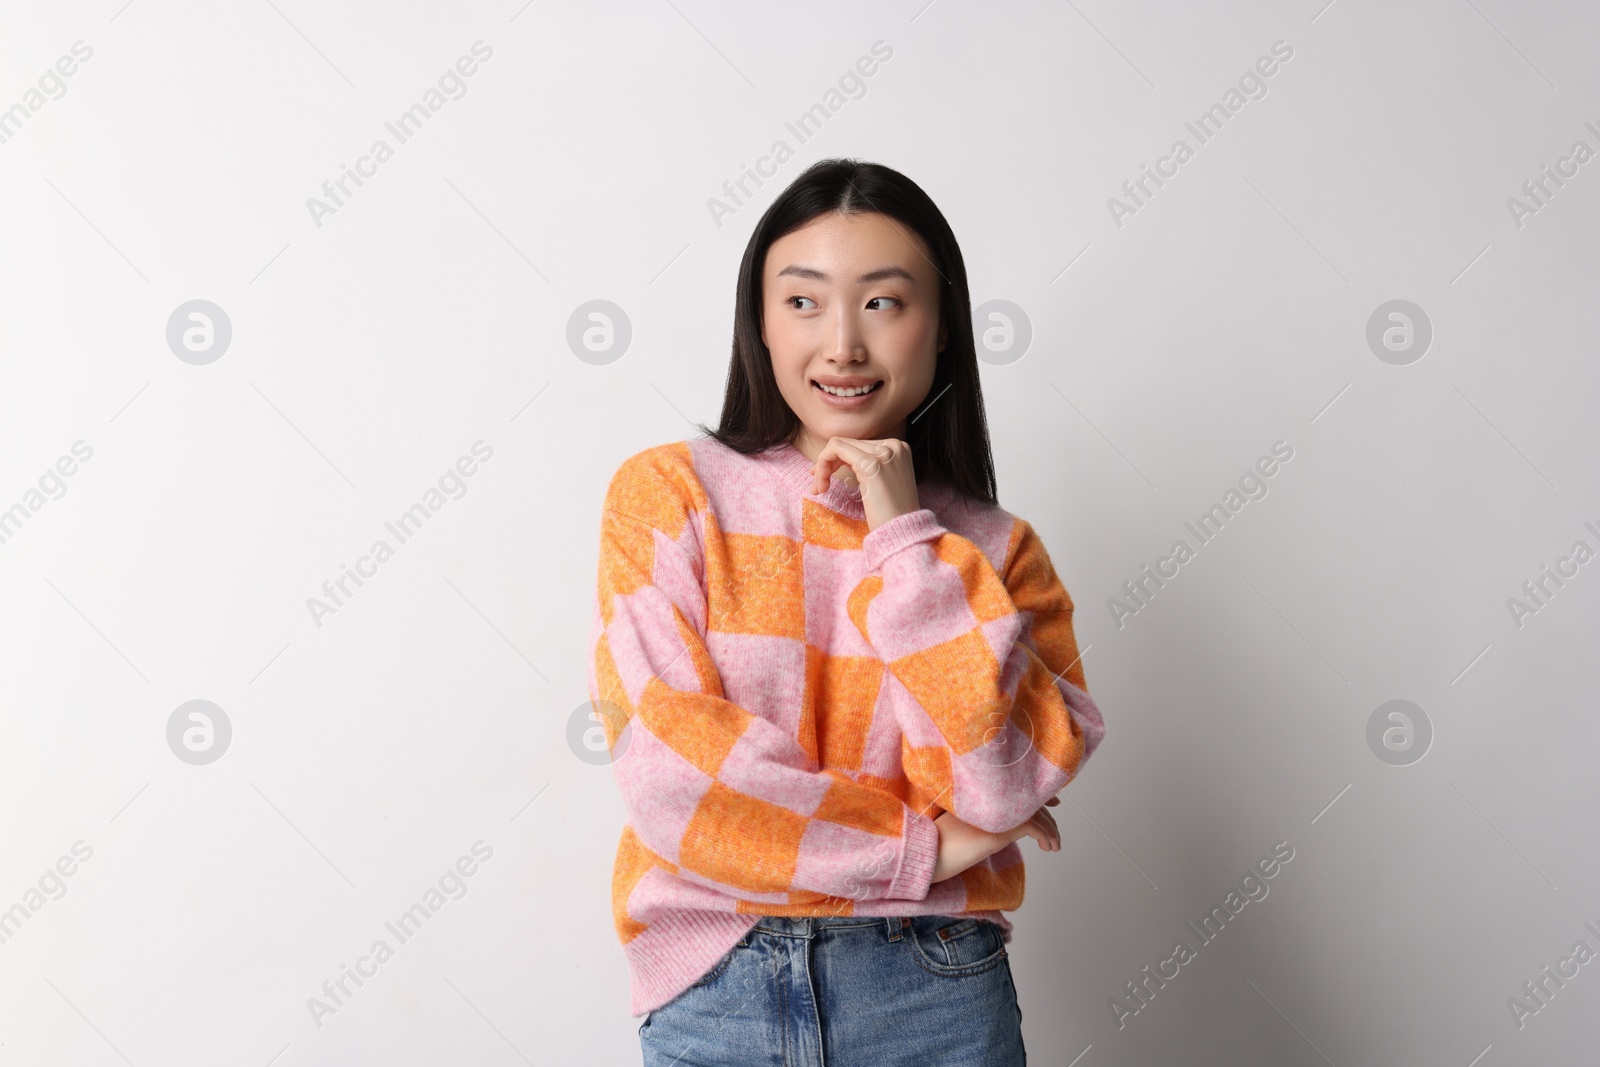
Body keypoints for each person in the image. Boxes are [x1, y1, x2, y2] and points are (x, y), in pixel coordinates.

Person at [586, 157, 1106, 1066]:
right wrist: (922, 852)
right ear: (758, 321)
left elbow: (997, 783)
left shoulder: (994, 550)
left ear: (942, 327)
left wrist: (904, 537)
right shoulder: (669, 496)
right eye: (802, 301)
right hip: (718, 985)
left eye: (883, 302)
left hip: (934, 992)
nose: (842, 346)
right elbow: (677, 779)